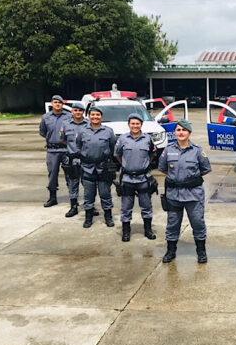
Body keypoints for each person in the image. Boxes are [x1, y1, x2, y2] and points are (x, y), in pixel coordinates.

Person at [158, 120, 212, 263]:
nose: (181, 133)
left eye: (184, 130)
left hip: (193, 194)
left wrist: (190, 180)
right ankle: (171, 251)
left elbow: (205, 169)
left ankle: (201, 251)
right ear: (175, 132)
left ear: (189, 133)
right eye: (178, 130)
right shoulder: (168, 150)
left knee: (198, 223)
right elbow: (163, 168)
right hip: (174, 194)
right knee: (172, 223)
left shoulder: (197, 150)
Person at [114, 113, 157, 242]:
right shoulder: (122, 139)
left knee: (146, 206)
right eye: (132, 123)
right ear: (129, 125)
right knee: (126, 207)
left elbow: (152, 154)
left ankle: (148, 230)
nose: (135, 126)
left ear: (141, 125)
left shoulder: (148, 139)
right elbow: (117, 155)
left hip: (143, 178)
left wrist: (143, 166)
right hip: (127, 179)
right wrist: (127, 166)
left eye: (137, 123)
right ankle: (126, 231)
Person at [75, 106, 117, 228]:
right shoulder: (83, 131)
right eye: (92, 115)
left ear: (101, 117)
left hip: (103, 167)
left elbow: (112, 146)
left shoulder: (108, 131)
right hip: (87, 167)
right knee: (88, 194)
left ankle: (108, 216)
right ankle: (88, 217)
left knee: (105, 193)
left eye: (98, 115)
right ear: (89, 116)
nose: (95, 117)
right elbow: (78, 145)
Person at [39, 94, 71, 207]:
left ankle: (73, 198)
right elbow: (43, 132)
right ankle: (52, 198)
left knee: (70, 174)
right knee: (52, 174)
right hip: (52, 151)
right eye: (55, 102)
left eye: (60, 103)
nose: (57, 104)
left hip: (66, 150)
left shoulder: (69, 116)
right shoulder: (45, 117)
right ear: (52, 104)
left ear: (63, 104)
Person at [61, 102, 88, 218]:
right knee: (72, 183)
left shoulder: (88, 124)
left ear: (83, 112)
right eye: (75, 110)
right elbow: (63, 139)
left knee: (88, 183)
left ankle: (89, 205)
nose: (78, 112)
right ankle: (73, 207)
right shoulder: (65, 124)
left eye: (80, 110)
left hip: (86, 159)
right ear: (72, 111)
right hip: (72, 158)